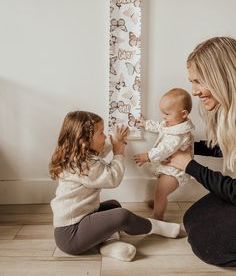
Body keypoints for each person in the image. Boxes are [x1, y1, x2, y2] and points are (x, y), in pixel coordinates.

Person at [49, 110, 181, 262]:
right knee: (121, 215)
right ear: (85, 141)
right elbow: (112, 178)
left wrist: (115, 141)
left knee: (113, 206)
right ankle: (157, 227)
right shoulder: (83, 166)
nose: (105, 136)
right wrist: (119, 152)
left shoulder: (79, 157)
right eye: (101, 133)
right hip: (71, 235)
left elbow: (99, 152)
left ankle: (109, 244)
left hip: (79, 222)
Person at [166, 36, 236, 267]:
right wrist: (190, 146)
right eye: (191, 82)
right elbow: (224, 147)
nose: (193, 91)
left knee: (210, 242)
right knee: (193, 218)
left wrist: (190, 166)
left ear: (221, 78)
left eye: (198, 81)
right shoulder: (229, 115)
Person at [134, 88, 195, 220]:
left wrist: (148, 156)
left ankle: (158, 216)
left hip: (175, 171)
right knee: (159, 191)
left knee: (161, 191)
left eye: (167, 114)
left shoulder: (179, 134)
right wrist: (145, 123)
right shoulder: (172, 123)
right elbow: (159, 126)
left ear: (183, 114)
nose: (164, 117)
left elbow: (165, 149)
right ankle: (158, 203)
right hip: (169, 167)